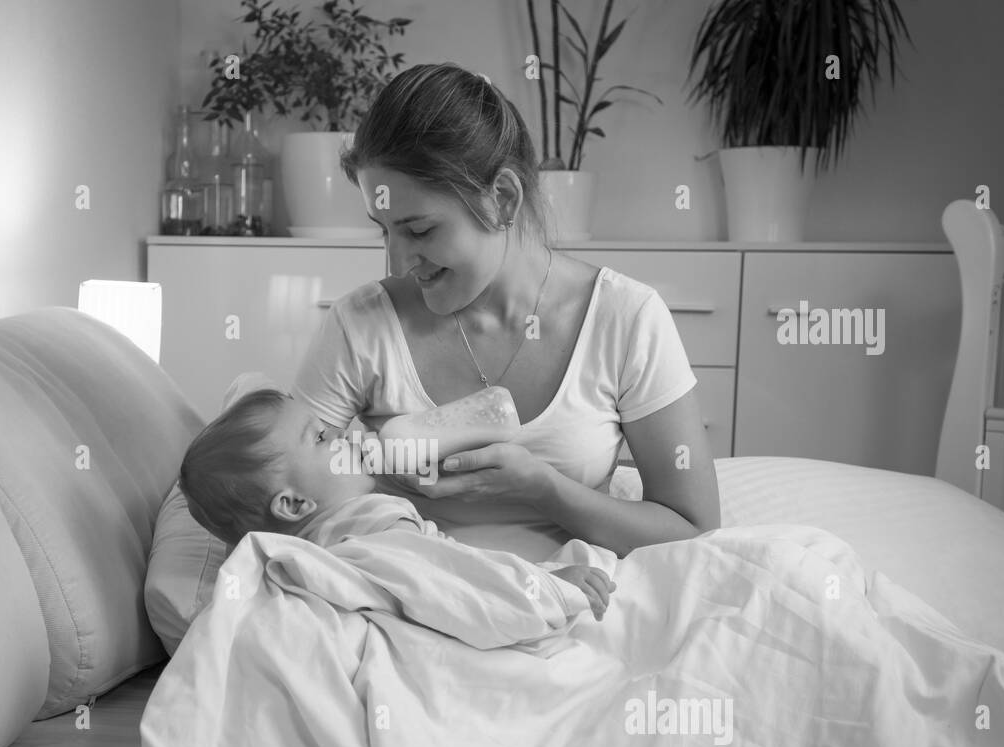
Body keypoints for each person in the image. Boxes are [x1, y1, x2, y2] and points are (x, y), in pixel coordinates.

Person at [293, 63, 720, 561]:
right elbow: (279, 486)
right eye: (382, 229)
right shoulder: (359, 324)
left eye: (420, 230)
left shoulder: (625, 319)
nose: (396, 262)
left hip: (577, 605)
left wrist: (543, 488)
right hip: (405, 599)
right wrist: (355, 468)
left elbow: (693, 529)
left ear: (502, 198)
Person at [177, 388, 616, 619]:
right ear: (293, 504)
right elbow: (459, 585)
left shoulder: (320, 544)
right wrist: (550, 584)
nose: (345, 432)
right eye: (321, 438)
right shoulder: (373, 524)